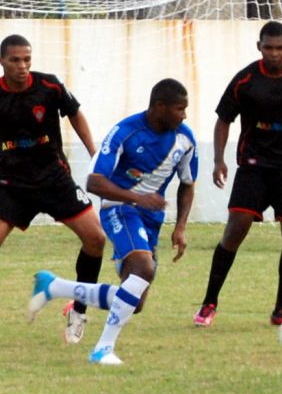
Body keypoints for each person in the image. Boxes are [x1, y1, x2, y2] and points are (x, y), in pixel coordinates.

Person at [0, 34, 106, 347]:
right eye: (15, 60)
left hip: (55, 179)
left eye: (27, 59)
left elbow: (75, 113)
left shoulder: (49, 87)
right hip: (12, 184)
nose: (23, 66)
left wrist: (94, 153)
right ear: (1, 61)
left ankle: (78, 310)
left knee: (95, 239)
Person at [27, 78, 198, 365]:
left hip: (151, 218)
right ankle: (102, 349)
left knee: (135, 300)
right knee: (143, 269)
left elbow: (187, 183)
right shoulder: (125, 132)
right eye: (179, 109)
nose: (184, 115)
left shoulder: (185, 138)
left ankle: (54, 287)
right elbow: (94, 182)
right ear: (160, 107)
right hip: (119, 208)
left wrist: (180, 227)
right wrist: (137, 198)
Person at [193, 20, 282, 328]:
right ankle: (209, 302)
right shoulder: (245, 80)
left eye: (280, 48)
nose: (274, 53)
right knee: (235, 229)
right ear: (259, 47)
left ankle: (281, 308)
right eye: (268, 48)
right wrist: (218, 159)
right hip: (254, 165)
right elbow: (223, 120)